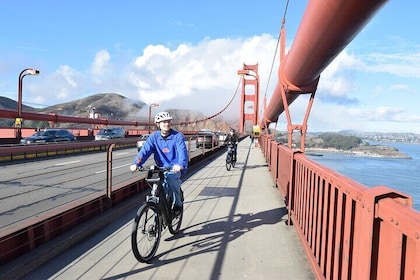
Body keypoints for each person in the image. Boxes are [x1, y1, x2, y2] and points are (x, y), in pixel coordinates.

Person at [131, 111, 188, 215]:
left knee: (170, 178)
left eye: (168, 121)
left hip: (174, 168)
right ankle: (160, 207)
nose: (166, 124)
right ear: (158, 124)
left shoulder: (177, 136)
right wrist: (136, 163)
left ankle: (178, 204)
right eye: (163, 122)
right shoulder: (154, 137)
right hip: (160, 168)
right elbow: (144, 151)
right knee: (154, 182)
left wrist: (180, 165)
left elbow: (182, 152)